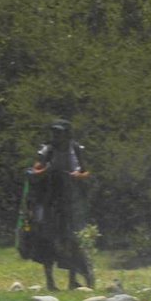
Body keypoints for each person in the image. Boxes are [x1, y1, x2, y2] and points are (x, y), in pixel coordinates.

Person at [19, 120, 95, 289]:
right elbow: (33, 172)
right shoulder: (47, 151)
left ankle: (72, 280)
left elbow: (87, 172)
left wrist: (78, 176)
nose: (56, 136)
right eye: (54, 132)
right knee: (47, 240)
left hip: (71, 202)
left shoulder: (76, 149)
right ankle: (50, 282)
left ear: (67, 134)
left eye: (59, 133)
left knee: (72, 241)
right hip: (50, 202)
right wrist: (48, 170)